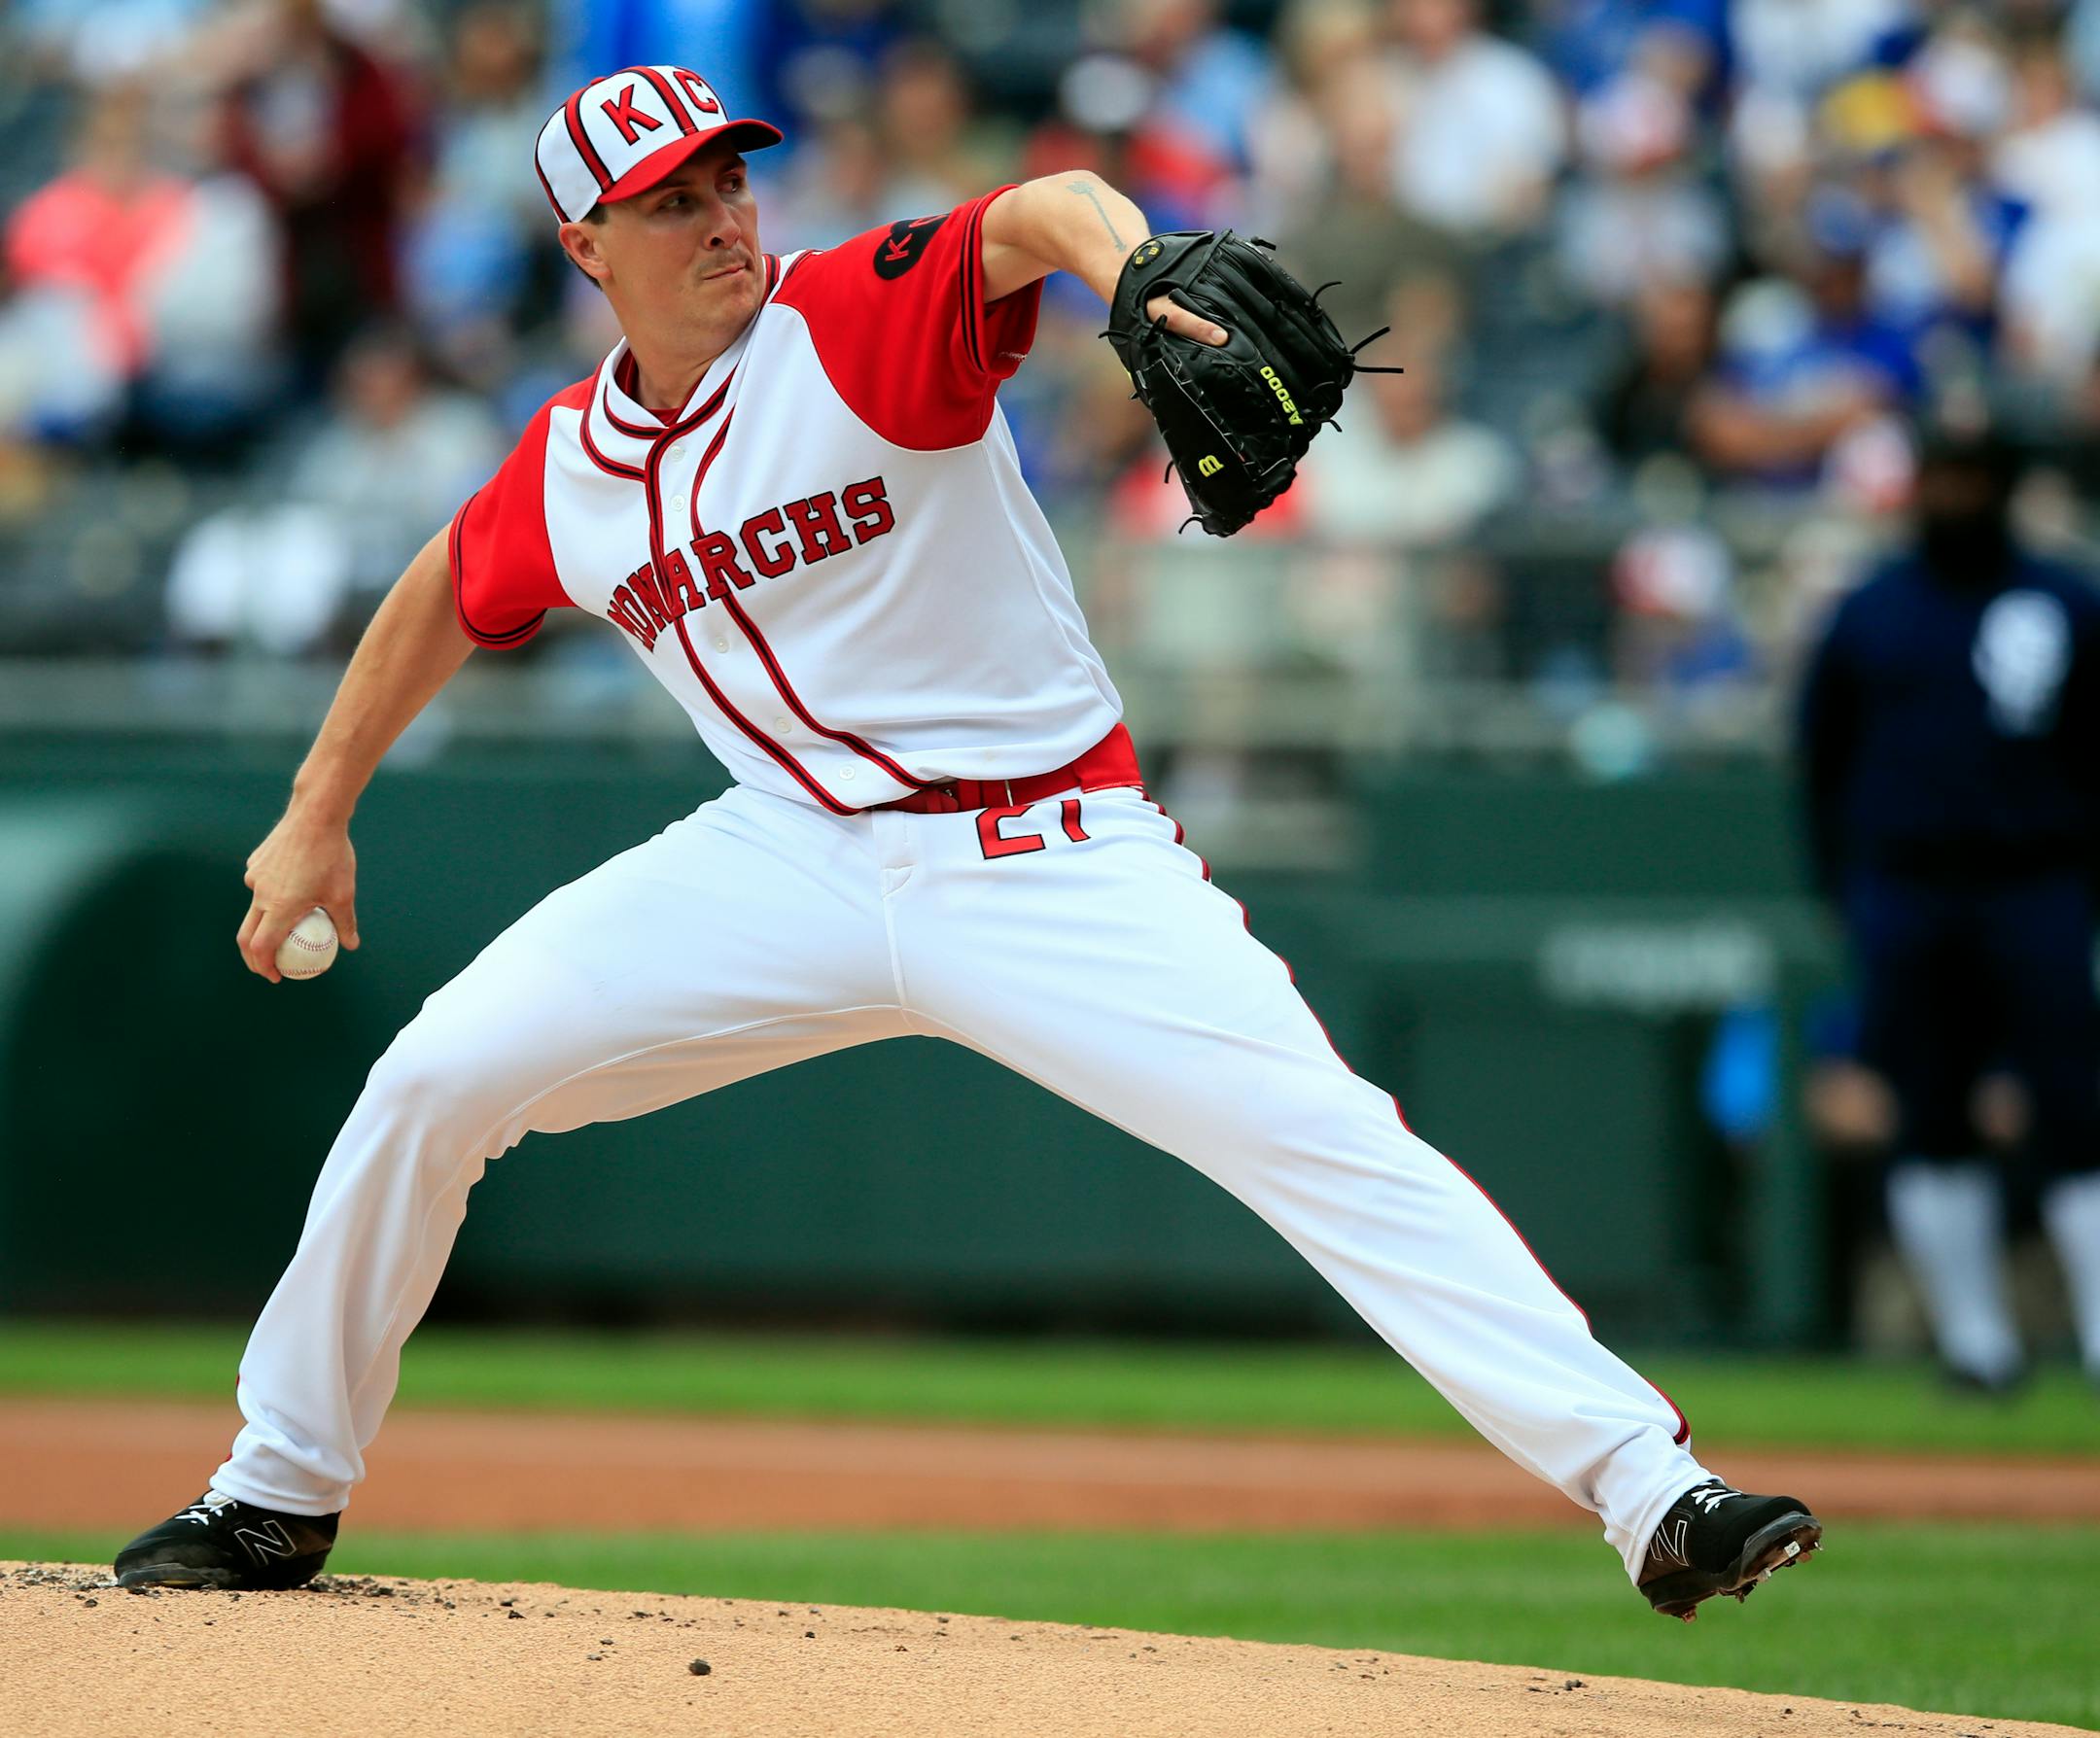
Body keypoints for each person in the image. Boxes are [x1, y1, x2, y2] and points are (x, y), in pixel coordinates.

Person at [113, 63, 1821, 1619]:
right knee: (431, 1078)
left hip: (1053, 858)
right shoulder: (571, 464)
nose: (721, 215)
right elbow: (444, 587)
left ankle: (1651, 1490)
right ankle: (277, 1491)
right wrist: (314, 809)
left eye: (729, 178)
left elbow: (1037, 214)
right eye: (670, 199)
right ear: (586, 242)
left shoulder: (846, 321)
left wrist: (1137, 265)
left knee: (1324, 1139)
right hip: (779, 857)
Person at [1798, 423, 2100, 1391]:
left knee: (2076, 1109)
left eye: (1975, 477)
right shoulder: (1872, 612)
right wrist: (1846, 890)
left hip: (2040, 883)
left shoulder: (2063, 602)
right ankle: (1977, 1346)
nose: (1957, 495)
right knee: (1929, 1111)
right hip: (1909, 887)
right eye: (1943, 475)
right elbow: (1821, 760)